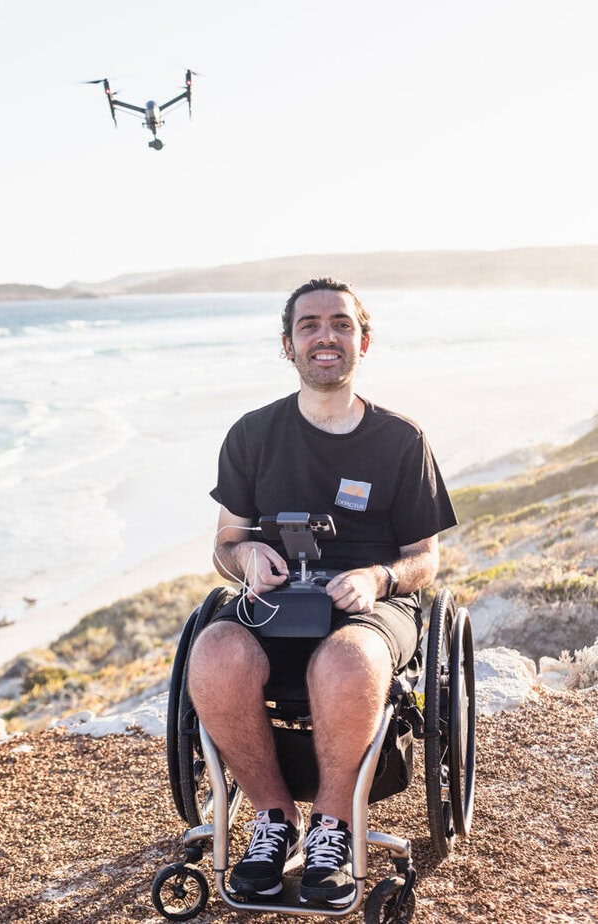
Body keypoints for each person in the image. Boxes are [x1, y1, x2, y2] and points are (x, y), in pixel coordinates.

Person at [188, 277, 457, 907]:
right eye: (309, 325)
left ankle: (333, 828)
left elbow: (425, 559)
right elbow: (225, 543)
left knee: (345, 661)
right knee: (216, 650)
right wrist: (246, 555)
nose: (325, 336)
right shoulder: (252, 434)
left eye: (340, 323)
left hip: (370, 606)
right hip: (278, 597)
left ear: (364, 340)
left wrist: (379, 578)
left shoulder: (401, 440)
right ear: (288, 345)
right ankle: (273, 820)